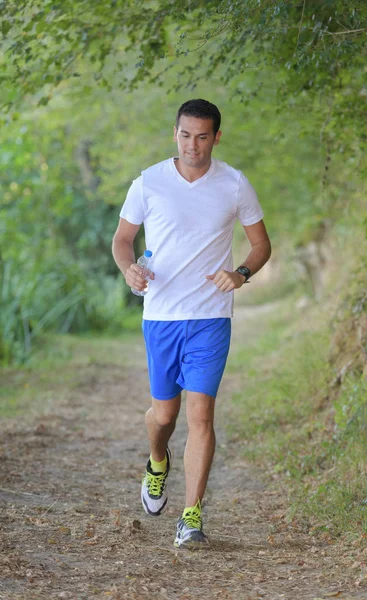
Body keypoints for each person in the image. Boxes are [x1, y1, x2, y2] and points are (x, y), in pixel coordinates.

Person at [112, 99, 271, 549]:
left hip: (210, 316)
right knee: (165, 414)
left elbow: (261, 245)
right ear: (175, 133)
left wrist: (240, 273)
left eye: (202, 137)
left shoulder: (235, 184)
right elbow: (123, 240)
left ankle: (191, 517)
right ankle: (157, 460)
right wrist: (128, 269)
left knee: (201, 414)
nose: (193, 146)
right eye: (185, 135)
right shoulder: (149, 182)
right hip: (161, 315)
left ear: (216, 137)